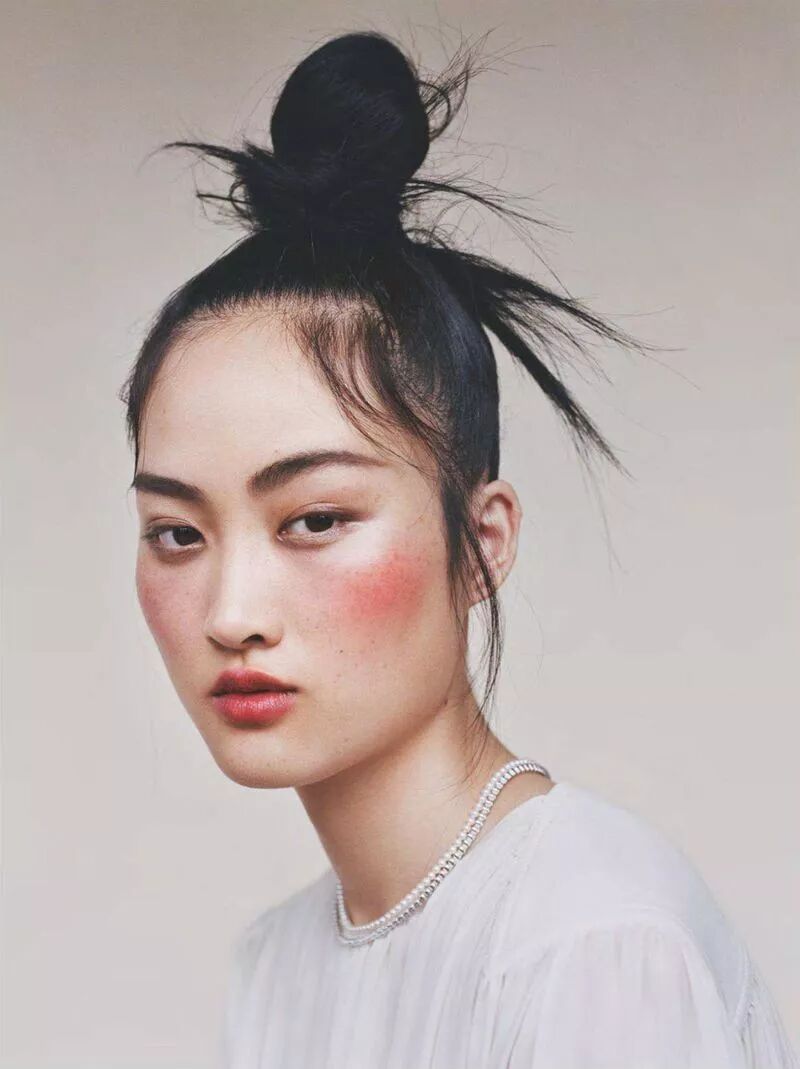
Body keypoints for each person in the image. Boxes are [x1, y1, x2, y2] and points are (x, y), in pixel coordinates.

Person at [121, 29, 798, 1069]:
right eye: (177, 533)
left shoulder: (591, 941)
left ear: (480, 545)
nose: (230, 612)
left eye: (314, 518)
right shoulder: (276, 967)